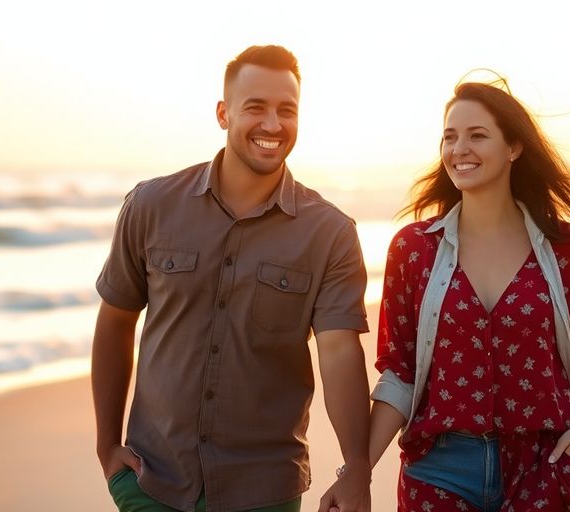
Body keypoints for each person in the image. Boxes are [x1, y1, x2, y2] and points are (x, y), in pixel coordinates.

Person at [91, 45, 372, 512]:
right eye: (255, 107)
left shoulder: (330, 233)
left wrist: (357, 468)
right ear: (224, 114)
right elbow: (116, 320)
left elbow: (341, 352)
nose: (272, 124)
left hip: (264, 492)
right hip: (151, 483)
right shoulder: (151, 205)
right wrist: (106, 446)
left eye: (287, 110)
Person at [366, 77, 570, 511]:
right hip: (437, 471)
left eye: (477, 135)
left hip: (542, 466)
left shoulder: (566, 248)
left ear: (513, 147)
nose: (459, 148)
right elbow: (399, 374)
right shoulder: (414, 249)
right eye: (450, 137)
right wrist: (357, 471)